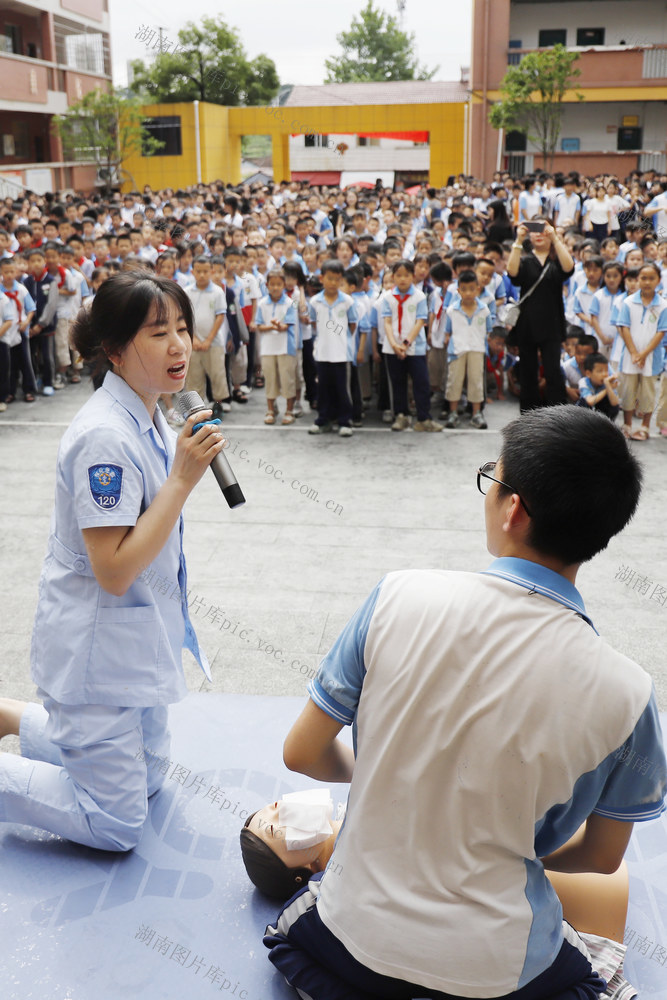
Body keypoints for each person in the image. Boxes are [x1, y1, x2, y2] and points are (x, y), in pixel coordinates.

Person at [262, 405, 666, 1000]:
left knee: (290, 935)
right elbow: (604, 858)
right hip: (497, 970)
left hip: (356, 945)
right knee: (588, 969)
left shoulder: (396, 596)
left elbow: (302, 752)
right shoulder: (629, 694)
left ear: (513, 507)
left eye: (491, 478)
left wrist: (375, 778)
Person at [0, 272, 224, 851]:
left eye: (181, 327)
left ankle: (13, 718)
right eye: (157, 333)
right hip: (94, 651)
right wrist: (182, 479)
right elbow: (115, 569)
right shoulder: (105, 437)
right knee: (117, 824)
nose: (179, 345)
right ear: (115, 351)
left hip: (133, 641)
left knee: (150, 780)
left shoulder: (150, 410)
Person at [507, 222, 574, 412]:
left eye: (542, 231)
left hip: (552, 325)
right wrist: (518, 240)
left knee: (553, 372)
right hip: (527, 325)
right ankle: (529, 418)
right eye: (533, 231)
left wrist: (555, 238)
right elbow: (512, 272)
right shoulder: (526, 260)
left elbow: (568, 268)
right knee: (528, 373)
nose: (538, 235)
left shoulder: (556, 261)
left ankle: (556, 416)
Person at [381, 259, 442, 432]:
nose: (402, 279)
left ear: (413, 276)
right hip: (392, 347)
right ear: (393, 277)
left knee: (421, 382)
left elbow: (420, 321)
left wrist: (406, 343)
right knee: (398, 382)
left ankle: (424, 418)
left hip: (415, 347)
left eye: (406, 275)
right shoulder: (387, 297)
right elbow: (386, 322)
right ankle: (401, 415)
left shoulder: (419, 296)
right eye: (398, 275)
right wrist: (394, 345)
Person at [616, 260, 667, 441]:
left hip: (652, 358)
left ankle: (645, 426)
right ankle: (627, 425)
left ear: (658, 280)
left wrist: (644, 354)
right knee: (628, 391)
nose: (647, 282)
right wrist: (634, 353)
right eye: (643, 278)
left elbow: (661, 332)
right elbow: (624, 328)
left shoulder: (662, 305)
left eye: (651, 278)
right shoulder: (628, 302)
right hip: (630, 357)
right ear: (637, 279)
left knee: (647, 393)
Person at [443, 268, 493, 429]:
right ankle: (453, 412)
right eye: (464, 290)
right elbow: (448, 331)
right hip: (457, 349)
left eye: (472, 289)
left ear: (478, 289)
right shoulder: (452, 310)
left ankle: (476, 414)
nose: (468, 293)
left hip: (477, 349)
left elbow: (488, 330)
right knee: (454, 381)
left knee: (476, 381)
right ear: (458, 291)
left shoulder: (484, 310)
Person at [255, 267, 297, 425]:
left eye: (279, 284)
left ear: (284, 285)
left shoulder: (289, 303)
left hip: (285, 347)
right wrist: (272, 327)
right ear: (267, 285)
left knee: (287, 379)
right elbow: (259, 325)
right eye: (272, 284)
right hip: (268, 348)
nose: (275, 287)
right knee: (270, 379)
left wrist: (278, 326)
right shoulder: (262, 304)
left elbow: (288, 325)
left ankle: (289, 410)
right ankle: (271, 410)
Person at [576, 353, 620, 420]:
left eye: (606, 370)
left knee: (613, 404)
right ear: (588, 373)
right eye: (600, 371)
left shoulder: (608, 382)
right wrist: (606, 390)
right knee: (584, 402)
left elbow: (615, 403)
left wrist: (608, 386)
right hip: (585, 415)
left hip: (601, 412)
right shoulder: (584, 382)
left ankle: (606, 423)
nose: (604, 374)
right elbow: (590, 401)